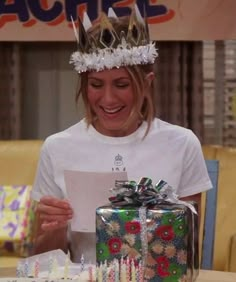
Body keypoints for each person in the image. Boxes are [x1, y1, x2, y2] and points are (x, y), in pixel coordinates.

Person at [31, 6, 212, 263]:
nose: (108, 99)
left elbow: (187, 252)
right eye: (95, 84)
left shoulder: (181, 143)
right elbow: (43, 260)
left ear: (147, 82)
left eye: (122, 84)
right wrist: (56, 227)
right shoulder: (57, 147)